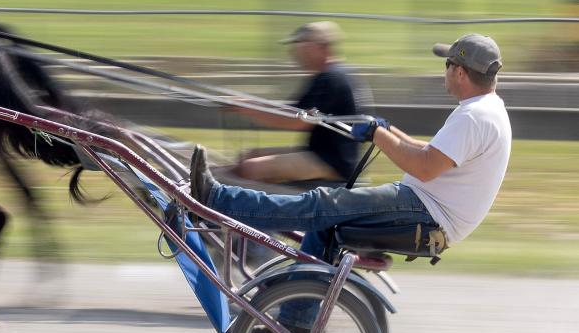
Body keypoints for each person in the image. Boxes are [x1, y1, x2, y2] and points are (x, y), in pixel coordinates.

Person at [191, 33, 512, 264]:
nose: (443, 71)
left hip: (425, 211)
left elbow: (425, 168)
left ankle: (218, 199)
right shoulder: (487, 109)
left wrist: (377, 134)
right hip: (428, 210)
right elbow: (431, 153)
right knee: (322, 226)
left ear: (459, 72)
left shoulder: (473, 116)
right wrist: (386, 128)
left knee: (320, 203)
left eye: (446, 65)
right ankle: (296, 313)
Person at [229, 21, 372, 185]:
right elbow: (293, 111)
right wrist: (251, 104)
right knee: (250, 156)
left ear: (318, 46)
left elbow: (297, 121)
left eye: (299, 44)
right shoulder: (334, 74)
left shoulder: (331, 78)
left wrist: (250, 108)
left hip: (333, 162)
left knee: (250, 168)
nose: (293, 51)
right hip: (325, 154)